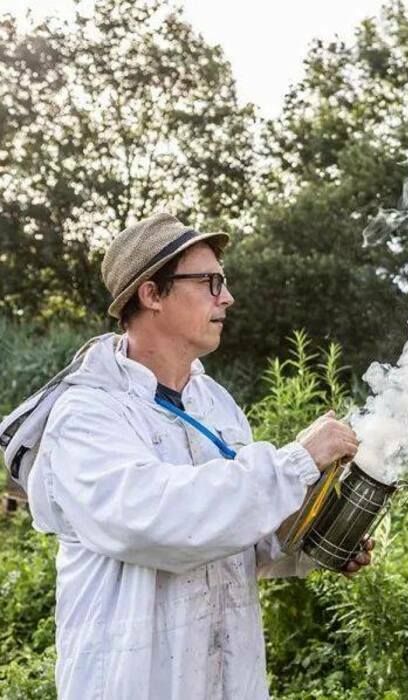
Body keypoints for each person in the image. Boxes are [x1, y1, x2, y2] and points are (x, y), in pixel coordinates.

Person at [24, 213, 372, 699]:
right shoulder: (86, 414)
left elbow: (235, 536)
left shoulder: (214, 403)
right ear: (151, 294)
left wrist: (315, 537)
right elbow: (157, 519)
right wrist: (295, 461)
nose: (226, 297)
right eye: (210, 282)